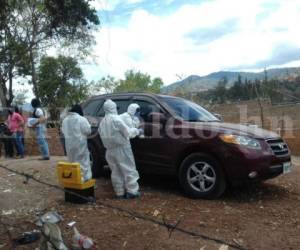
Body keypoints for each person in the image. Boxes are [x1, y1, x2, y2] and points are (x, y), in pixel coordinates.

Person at [99, 99, 141, 199]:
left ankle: (119, 193)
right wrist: (137, 130)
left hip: (109, 151)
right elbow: (128, 133)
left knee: (116, 171)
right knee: (128, 169)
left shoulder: (102, 122)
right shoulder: (117, 119)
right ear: (113, 108)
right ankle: (132, 192)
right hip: (122, 149)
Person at [62, 104, 92, 182]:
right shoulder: (81, 119)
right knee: (83, 163)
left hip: (69, 146)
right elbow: (88, 131)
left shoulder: (65, 120)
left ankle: (75, 179)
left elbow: (63, 131)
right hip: (80, 145)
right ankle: (84, 181)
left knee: (72, 162)